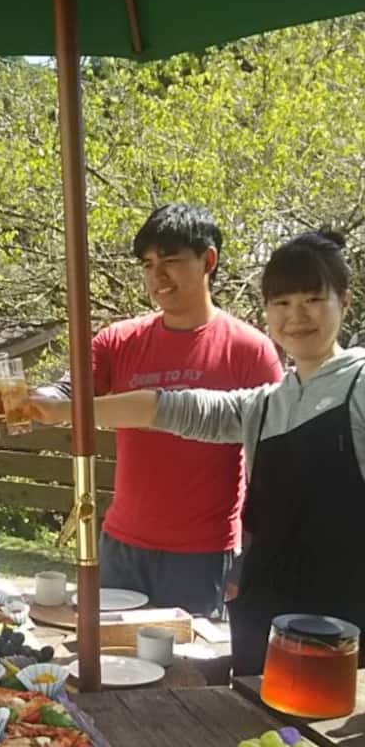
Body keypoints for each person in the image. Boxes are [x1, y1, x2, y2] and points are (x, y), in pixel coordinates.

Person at [31, 230, 365, 674]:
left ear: (344, 302)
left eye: (313, 300)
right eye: (282, 303)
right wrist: (65, 411)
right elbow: (168, 408)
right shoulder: (263, 405)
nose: (296, 316)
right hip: (267, 618)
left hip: (342, 623)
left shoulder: (359, 386)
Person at [37, 204, 283, 616]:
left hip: (203, 557)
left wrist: (250, 557)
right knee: (110, 654)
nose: (157, 277)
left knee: (192, 657)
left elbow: (273, 465)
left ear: (208, 261)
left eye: (170, 261)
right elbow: (68, 390)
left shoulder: (249, 350)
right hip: (121, 548)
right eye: (148, 265)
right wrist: (35, 397)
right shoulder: (119, 340)